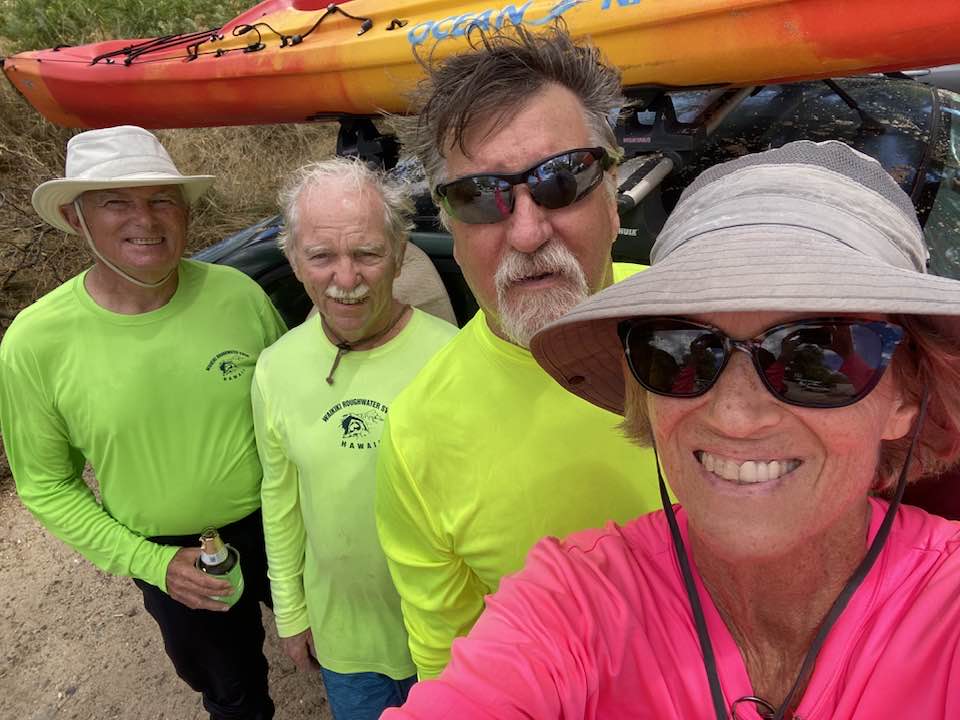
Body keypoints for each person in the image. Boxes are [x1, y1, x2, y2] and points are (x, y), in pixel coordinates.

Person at [383, 140, 960, 719]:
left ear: (907, 393)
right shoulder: (574, 607)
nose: (734, 415)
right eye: (681, 352)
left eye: (816, 354)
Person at [375, 24, 662, 680]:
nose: (528, 231)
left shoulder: (714, 327)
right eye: (480, 196)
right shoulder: (418, 436)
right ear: (446, 221)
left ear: (614, 193)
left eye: (563, 179)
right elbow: (452, 665)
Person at [0, 126, 287, 719]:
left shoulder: (238, 294)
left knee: (340, 649)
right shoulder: (34, 342)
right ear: (76, 219)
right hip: (170, 554)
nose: (146, 219)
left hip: (284, 521)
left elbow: (295, 404)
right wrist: (151, 563)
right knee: (233, 694)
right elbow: (46, 485)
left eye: (162, 199)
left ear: (183, 213)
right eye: (116, 202)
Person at [251, 158, 457, 719]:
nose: (346, 279)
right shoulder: (274, 368)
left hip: (452, 636)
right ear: (293, 261)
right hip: (346, 641)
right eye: (321, 256)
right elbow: (280, 496)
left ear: (398, 253)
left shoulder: (452, 358)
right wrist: (291, 613)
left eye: (366, 252)